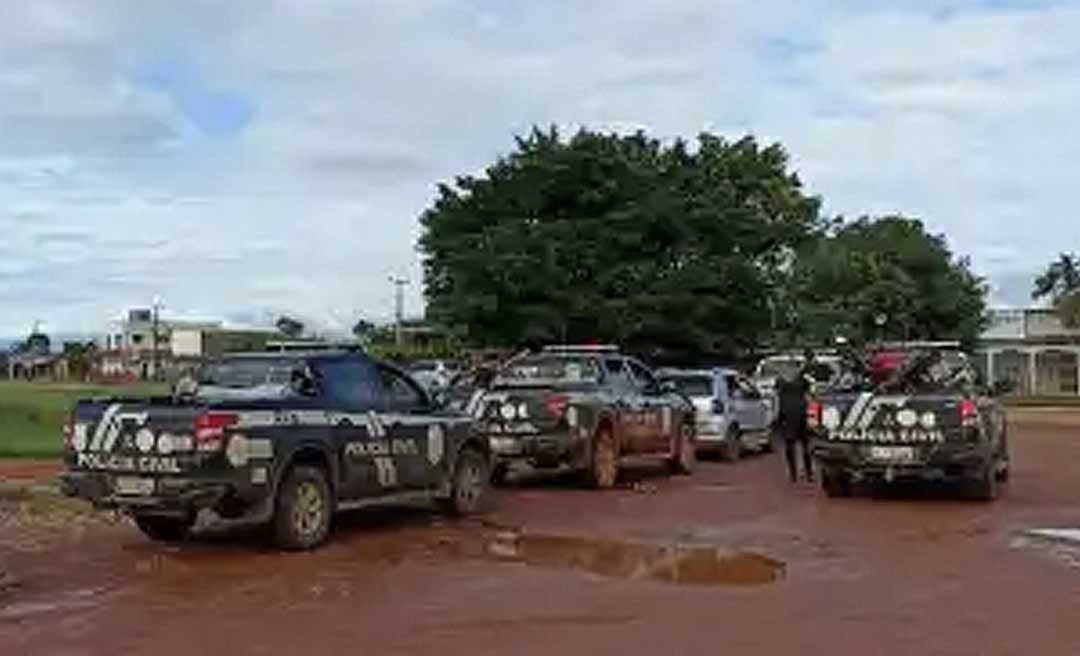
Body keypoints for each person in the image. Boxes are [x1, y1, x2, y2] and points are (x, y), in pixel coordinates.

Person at [778, 359, 814, 483]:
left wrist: (779, 416)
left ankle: (793, 474)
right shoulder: (803, 380)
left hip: (787, 413)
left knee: (790, 445)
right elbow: (809, 395)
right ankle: (809, 473)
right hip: (801, 412)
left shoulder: (781, 380)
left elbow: (778, 396)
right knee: (805, 444)